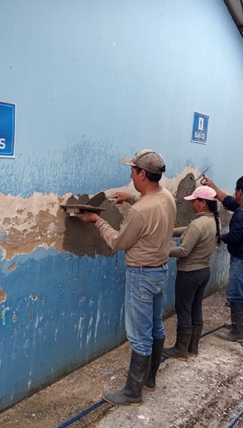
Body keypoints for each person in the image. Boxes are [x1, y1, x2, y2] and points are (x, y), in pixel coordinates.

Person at [79, 149, 176, 406]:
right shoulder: (167, 197)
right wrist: (131, 198)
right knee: (156, 326)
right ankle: (150, 379)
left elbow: (118, 242)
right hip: (160, 271)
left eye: (132, 171)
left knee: (139, 336)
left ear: (142, 174)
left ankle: (132, 393)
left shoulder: (140, 211)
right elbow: (150, 209)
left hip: (141, 276)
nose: (130, 176)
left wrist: (97, 220)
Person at [162, 186, 220, 361]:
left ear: (203, 203)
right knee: (195, 307)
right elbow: (187, 229)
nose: (192, 204)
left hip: (189, 273)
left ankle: (180, 349)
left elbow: (183, 251)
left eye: (195, 201)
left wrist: (162, 251)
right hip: (203, 271)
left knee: (183, 309)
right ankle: (193, 347)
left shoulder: (198, 224)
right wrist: (169, 231)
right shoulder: (212, 221)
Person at [205, 175, 243, 343]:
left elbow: (234, 237)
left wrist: (217, 237)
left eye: (235, 190)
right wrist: (212, 185)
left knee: (236, 296)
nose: (234, 193)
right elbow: (229, 201)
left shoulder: (242, 213)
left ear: (240, 192)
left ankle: (237, 332)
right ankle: (241, 327)